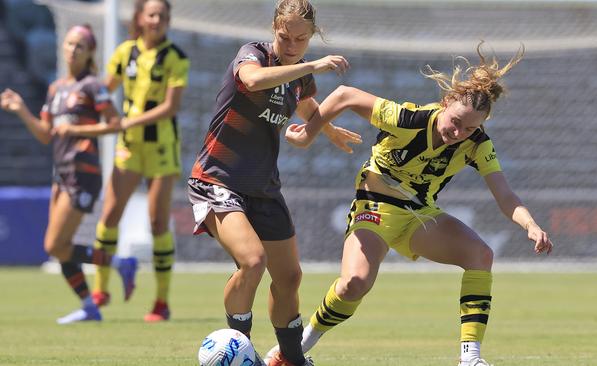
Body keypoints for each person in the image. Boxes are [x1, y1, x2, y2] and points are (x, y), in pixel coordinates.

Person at [273, 42, 554, 366]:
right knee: (354, 283)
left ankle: (471, 359)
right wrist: (309, 134)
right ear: (445, 103)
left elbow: (505, 196)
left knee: (481, 255)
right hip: (374, 207)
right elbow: (345, 95)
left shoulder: (478, 145)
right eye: (456, 121)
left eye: (471, 128)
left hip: (419, 215)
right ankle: (295, 348)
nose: (459, 132)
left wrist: (530, 225)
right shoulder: (408, 118)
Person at [187, 0, 361, 365]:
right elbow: (251, 81)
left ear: (311, 35)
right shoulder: (252, 55)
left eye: (301, 38)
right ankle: (239, 352)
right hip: (218, 178)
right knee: (252, 261)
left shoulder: (299, 75)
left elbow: (307, 107)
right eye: (285, 36)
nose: (292, 44)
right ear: (273, 30)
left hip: (263, 186)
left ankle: (291, 359)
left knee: (290, 277)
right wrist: (311, 65)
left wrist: (326, 131)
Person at [0, 24, 137, 324]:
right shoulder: (56, 88)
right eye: (69, 43)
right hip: (61, 173)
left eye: (80, 45)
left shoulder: (92, 86)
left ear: (89, 53)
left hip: (83, 172)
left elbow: (116, 124)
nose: (72, 49)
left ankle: (117, 265)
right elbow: (47, 135)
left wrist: (77, 129)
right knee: (59, 248)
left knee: (54, 245)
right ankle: (92, 303)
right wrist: (21, 109)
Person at [91, 0, 189, 322]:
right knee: (110, 214)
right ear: (140, 18)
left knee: (158, 223)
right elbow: (105, 91)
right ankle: (100, 289)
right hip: (129, 147)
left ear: (168, 20)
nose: (157, 19)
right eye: (152, 14)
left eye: (162, 15)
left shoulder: (175, 57)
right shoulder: (124, 52)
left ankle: (162, 302)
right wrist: (102, 108)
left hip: (161, 146)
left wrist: (127, 121)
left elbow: (171, 108)